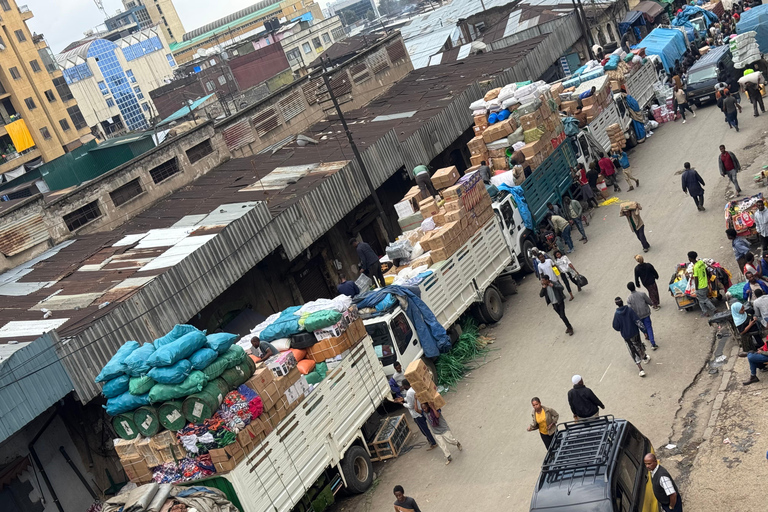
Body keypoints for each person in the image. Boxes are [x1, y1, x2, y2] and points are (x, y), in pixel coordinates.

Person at [612, 297, 650, 377]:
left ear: (616, 304)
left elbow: (615, 326)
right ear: (622, 302)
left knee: (632, 350)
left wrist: (621, 329)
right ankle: (644, 357)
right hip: (635, 332)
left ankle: (641, 369)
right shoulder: (629, 310)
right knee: (639, 344)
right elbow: (637, 321)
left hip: (626, 336)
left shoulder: (617, 315)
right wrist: (644, 331)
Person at [401, 379, 437, 451]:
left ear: (405, 386)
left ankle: (433, 442)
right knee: (426, 427)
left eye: (403, 386)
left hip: (416, 414)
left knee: (424, 430)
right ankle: (431, 440)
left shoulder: (408, 393)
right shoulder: (414, 389)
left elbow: (410, 406)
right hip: (422, 410)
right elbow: (410, 399)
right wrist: (404, 399)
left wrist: (403, 404)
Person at [627, 282, 658, 349]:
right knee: (649, 327)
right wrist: (652, 304)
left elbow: (630, 309)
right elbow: (649, 301)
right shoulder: (642, 294)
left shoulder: (629, 299)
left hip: (637, 316)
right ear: (634, 286)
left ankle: (647, 335)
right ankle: (653, 343)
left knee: (642, 327)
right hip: (646, 313)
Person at [688, 251, 717, 317]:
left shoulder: (695, 267)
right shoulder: (701, 262)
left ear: (690, 258)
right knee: (701, 300)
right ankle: (705, 312)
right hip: (705, 284)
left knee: (704, 299)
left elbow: (696, 278)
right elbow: (706, 270)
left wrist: (696, 288)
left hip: (700, 286)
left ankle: (714, 309)